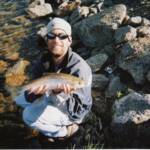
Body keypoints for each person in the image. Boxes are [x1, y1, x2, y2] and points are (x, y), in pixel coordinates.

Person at [15, 17, 92, 139]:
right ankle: (41, 114)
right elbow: (34, 86)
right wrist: (35, 93)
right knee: (17, 98)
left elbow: (78, 110)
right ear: (46, 40)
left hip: (72, 111)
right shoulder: (43, 61)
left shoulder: (80, 69)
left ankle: (67, 131)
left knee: (27, 115)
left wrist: (60, 93)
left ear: (69, 40)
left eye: (62, 36)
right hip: (49, 94)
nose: (56, 40)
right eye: (51, 36)